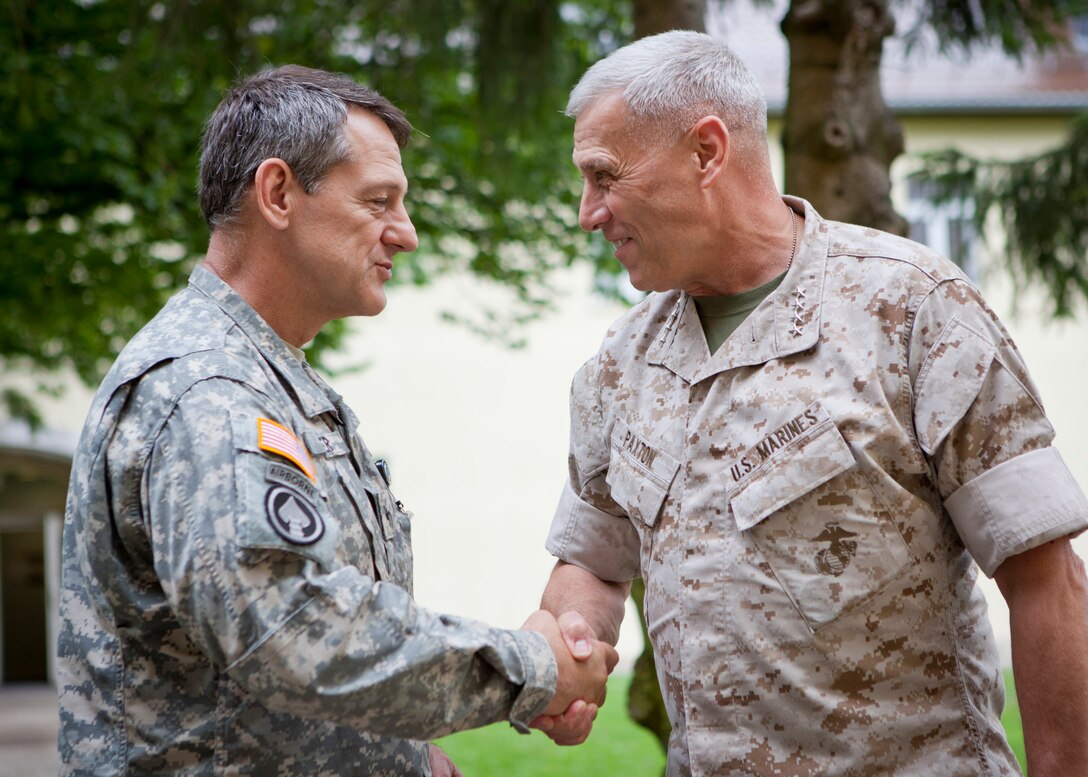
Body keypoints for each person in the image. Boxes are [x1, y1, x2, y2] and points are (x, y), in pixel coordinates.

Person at [535, 31, 1088, 776]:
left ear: (707, 152)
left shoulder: (913, 309)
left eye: (605, 176)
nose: (587, 212)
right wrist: (565, 649)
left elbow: (1047, 579)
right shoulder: (618, 367)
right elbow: (595, 560)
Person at [57, 65, 616, 776]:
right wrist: (531, 667)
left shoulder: (268, 381)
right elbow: (296, 635)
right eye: (378, 200)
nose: (406, 234)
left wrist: (406, 756)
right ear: (278, 194)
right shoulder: (210, 391)